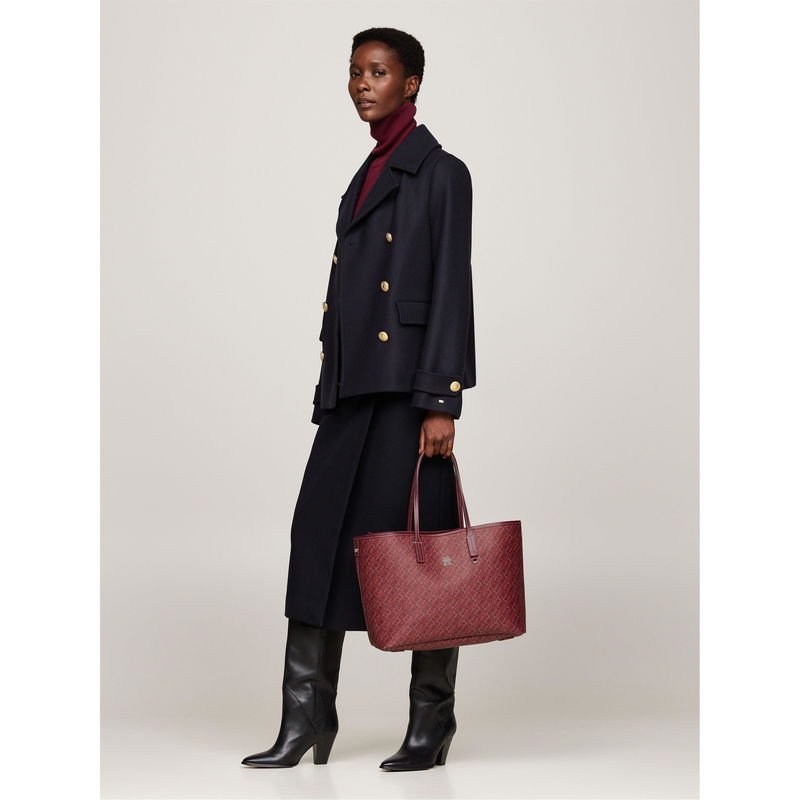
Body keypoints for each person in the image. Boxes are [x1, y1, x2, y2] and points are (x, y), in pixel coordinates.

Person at [242, 26, 476, 771]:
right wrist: (332, 381)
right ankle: (307, 716)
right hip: (354, 389)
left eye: (377, 72)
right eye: (354, 72)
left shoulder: (441, 172)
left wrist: (441, 399)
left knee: (424, 551)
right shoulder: (367, 172)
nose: (362, 84)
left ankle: (431, 723)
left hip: (409, 392)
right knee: (317, 540)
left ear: (411, 83)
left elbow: (451, 287)